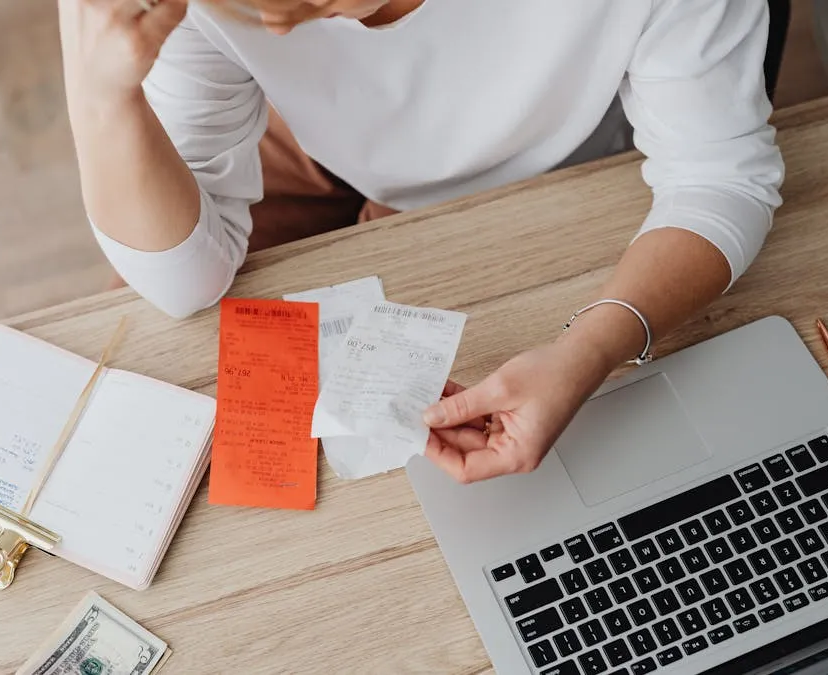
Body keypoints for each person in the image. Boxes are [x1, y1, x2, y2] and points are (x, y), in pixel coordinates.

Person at [59, 0, 784, 484]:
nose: (277, 30)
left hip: (551, 150)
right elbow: (185, 283)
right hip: (286, 123)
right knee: (137, 337)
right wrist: (100, 96)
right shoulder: (221, 22)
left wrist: (591, 347)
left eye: (307, 5)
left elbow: (722, 179)